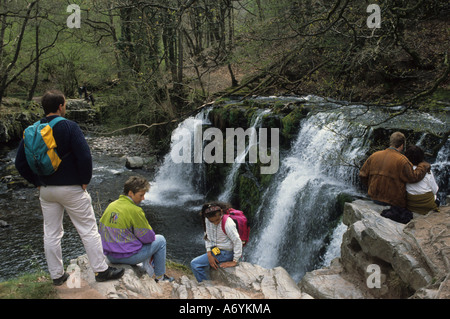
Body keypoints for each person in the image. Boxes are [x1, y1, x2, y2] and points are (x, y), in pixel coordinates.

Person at [15, 89, 124, 285]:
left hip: (46, 190)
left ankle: (57, 276)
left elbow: (20, 164)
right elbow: (84, 156)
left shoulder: (32, 131)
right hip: (72, 189)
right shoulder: (69, 127)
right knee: (88, 229)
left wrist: (37, 182)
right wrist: (85, 180)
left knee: (51, 233)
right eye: (64, 104)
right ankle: (101, 271)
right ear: (60, 106)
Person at [99, 176, 173, 282]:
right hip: (127, 258)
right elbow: (149, 238)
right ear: (130, 193)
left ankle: (147, 266)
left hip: (110, 257)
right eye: (141, 195)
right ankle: (160, 277)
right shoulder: (135, 210)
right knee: (160, 240)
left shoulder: (112, 205)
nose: (143, 198)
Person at [359, 132, 431, 208]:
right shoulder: (403, 161)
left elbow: (362, 175)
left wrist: (371, 186)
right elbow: (413, 177)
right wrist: (423, 165)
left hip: (374, 198)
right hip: (393, 201)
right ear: (402, 145)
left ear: (391, 142)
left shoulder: (374, 155)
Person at [190, 202, 243, 283]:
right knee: (201, 263)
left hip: (226, 252)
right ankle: (208, 281)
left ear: (221, 212)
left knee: (195, 264)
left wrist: (235, 261)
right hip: (216, 250)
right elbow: (207, 236)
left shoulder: (228, 223)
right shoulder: (207, 219)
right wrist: (209, 254)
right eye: (212, 221)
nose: (215, 223)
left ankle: (206, 285)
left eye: (217, 220)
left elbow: (237, 241)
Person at [405, 145, 439, 214]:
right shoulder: (428, 172)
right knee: (437, 200)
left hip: (411, 205)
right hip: (427, 206)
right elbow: (435, 190)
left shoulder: (405, 171)